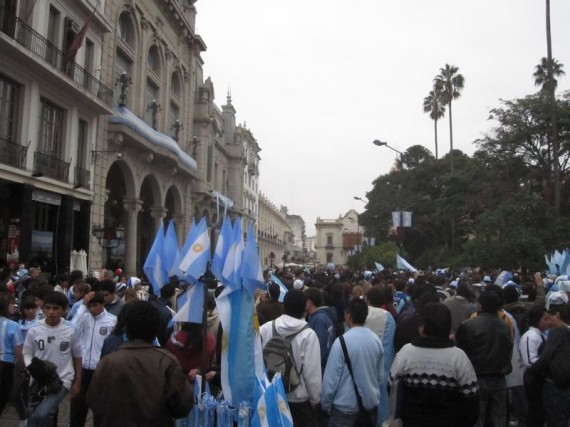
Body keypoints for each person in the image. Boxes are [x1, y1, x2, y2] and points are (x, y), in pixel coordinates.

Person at [87, 300, 193, 426]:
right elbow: (182, 406)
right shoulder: (167, 362)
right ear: (156, 327)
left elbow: (94, 400)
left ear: (125, 327)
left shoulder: (108, 361)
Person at [390, 302, 479, 427]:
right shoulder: (459, 357)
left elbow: (392, 386)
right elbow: (471, 397)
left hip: (411, 421)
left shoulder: (406, 352)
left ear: (421, 327)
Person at [260, 289, 322, 426]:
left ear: (284, 305)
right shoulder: (309, 335)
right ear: (304, 307)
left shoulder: (265, 328)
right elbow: (312, 375)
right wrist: (314, 401)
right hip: (298, 402)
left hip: (271, 396)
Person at [320, 297, 384, 427]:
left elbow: (331, 380)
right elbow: (380, 377)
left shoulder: (341, 342)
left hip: (344, 409)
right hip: (369, 407)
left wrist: (325, 405)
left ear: (348, 315)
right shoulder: (376, 340)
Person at [23, 290, 83, 427]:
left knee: (42, 413)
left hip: (62, 380)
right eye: (48, 308)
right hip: (38, 380)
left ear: (63, 310)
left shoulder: (71, 329)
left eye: (56, 308)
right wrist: (30, 367)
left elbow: (78, 356)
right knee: (33, 416)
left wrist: (77, 382)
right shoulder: (34, 329)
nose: (51, 312)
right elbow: (27, 353)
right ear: (43, 309)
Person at [456, 290, 513, 427]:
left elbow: (461, 351)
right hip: (499, 377)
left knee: (478, 417)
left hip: (476, 377)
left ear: (480, 306)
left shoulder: (469, 325)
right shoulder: (505, 325)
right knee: (499, 417)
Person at [70, 291, 117, 427]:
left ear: (103, 304)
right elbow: (71, 330)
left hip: (101, 371)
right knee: (77, 409)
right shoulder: (84, 317)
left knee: (101, 411)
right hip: (83, 370)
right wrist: (83, 306)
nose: (92, 309)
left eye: (95, 305)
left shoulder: (112, 320)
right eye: (89, 306)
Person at [364, 286, 396, 425]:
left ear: (368, 300)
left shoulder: (360, 312)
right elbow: (388, 348)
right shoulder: (387, 317)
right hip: (380, 365)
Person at [520, 305, 550, 427]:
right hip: (533, 379)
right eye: (545, 319)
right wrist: (548, 366)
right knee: (535, 411)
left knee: (540, 412)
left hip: (541, 378)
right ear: (537, 320)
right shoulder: (530, 336)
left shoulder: (542, 335)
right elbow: (529, 361)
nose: (549, 322)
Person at [0, 292, 24, 417]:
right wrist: (21, 371)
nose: (14, 306)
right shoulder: (13, 326)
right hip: (6, 366)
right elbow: (19, 352)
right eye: (11, 304)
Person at [305, 287, 336, 372]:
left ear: (309, 302)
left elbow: (320, 346)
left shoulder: (318, 320)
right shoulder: (323, 316)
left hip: (320, 367)